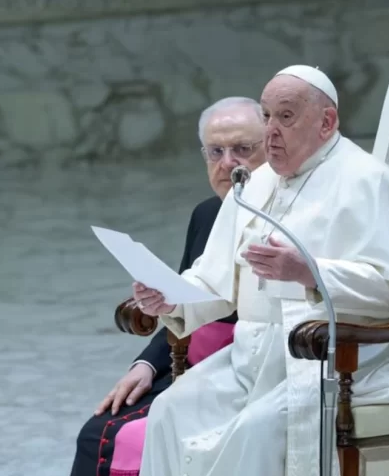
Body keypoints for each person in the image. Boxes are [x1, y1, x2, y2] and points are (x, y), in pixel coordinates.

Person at [133, 65, 389, 476]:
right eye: (266, 116)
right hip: (254, 360)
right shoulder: (255, 184)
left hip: (346, 358)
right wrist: (170, 297)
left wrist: (310, 273)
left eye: (286, 116)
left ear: (326, 122)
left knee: (256, 431)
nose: (270, 131)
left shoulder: (367, 181)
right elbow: (214, 279)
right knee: (170, 410)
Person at [69, 96, 266, 476]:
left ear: (271, 147)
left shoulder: (285, 218)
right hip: (187, 359)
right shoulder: (207, 213)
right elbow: (184, 304)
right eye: (216, 151)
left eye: (243, 149)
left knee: (132, 437)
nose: (228, 163)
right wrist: (146, 363)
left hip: (247, 369)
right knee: (97, 433)